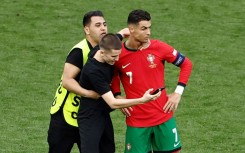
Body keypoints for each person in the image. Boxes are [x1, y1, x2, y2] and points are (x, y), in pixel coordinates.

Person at [111, 9, 193, 153]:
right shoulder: (119, 54)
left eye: (149, 27)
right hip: (136, 120)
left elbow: (186, 64)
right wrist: (117, 95)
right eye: (143, 28)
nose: (148, 32)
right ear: (131, 29)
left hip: (163, 115)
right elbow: (113, 74)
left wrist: (177, 93)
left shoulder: (159, 47)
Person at [47, 10, 130, 153]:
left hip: (93, 113)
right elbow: (67, 81)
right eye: (97, 25)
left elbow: (117, 37)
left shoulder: (107, 48)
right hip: (67, 115)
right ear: (87, 29)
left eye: (104, 24)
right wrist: (88, 93)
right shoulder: (79, 51)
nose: (103, 28)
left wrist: (124, 33)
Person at [77, 33, 161, 153]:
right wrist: (142, 100)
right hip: (90, 116)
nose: (117, 60)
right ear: (102, 53)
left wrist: (142, 41)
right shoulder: (94, 71)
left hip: (103, 113)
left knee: (109, 150)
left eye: (118, 55)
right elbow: (112, 103)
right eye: (113, 57)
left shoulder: (108, 45)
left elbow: (126, 31)